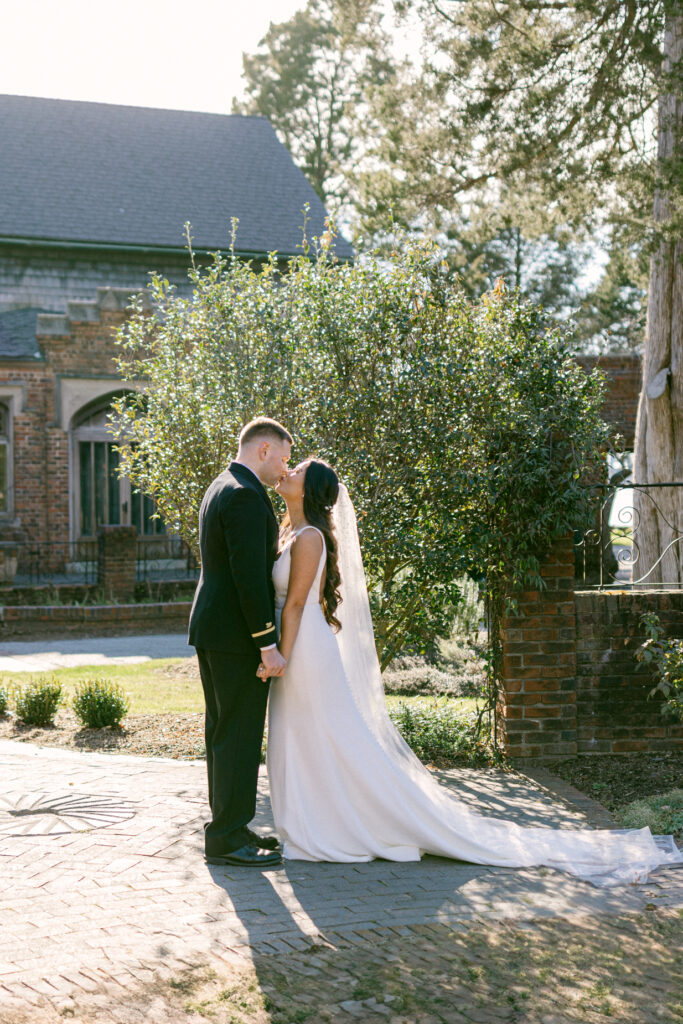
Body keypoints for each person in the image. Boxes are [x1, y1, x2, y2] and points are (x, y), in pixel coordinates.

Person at [263, 458, 683, 886]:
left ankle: (334, 827)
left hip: (304, 649)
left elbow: (296, 604)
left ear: (310, 489)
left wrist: (280, 655)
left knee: (322, 735)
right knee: (306, 735)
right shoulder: (289, 531)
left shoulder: (311, 537)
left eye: (296, 470)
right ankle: (312, 823)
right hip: (295, 645)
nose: (287, 472)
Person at [189, 417, 292, 867]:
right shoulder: (247, 496)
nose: (284, 470)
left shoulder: (221, 486)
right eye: (284, 458)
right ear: (264, 449)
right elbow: (250, 579)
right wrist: (266, 643)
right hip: (236, 637)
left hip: (214, 630)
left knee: (223, 731)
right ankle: (228, 839)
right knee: (238, 735)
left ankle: (230, 826)